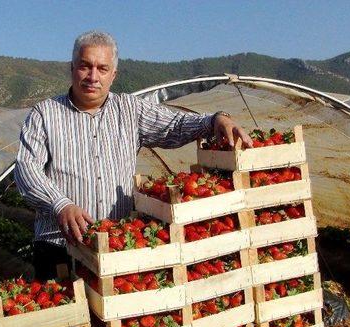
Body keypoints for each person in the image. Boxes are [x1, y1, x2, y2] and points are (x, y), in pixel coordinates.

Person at [14, 30, 252, 279]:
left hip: (118, 246)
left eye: (102, 69)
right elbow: (26, 169)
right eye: (85, 66)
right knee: (64, 316)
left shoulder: (129, 109)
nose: (93, 76)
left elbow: (175, 125)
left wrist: (216, 119)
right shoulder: (45, 114)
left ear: (113, 75)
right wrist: (60, 204)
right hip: (59, 246)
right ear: (72, 67)